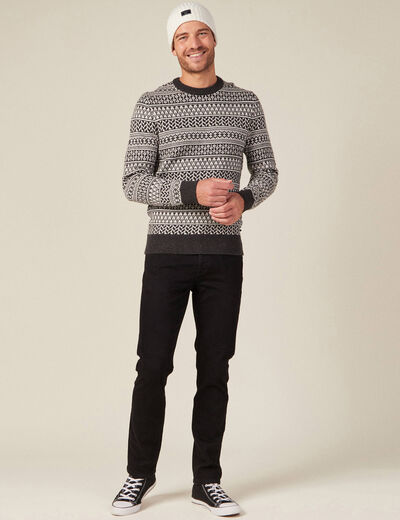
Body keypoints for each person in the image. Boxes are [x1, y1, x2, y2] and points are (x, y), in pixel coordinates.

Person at [111, 1, 279, 516]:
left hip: (224, 258)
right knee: (152, 366)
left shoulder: (245, 103)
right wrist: (192, 193)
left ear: (214, 40)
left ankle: (207, 479)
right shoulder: (152, 104)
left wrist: (244, 199)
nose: (194, 44)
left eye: (202, 33)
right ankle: (138, 475)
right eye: (184, 36)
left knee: (215, 368)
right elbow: (132, 181)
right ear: (173, 47)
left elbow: (267, 172)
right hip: (166, 255)